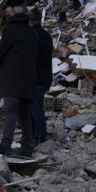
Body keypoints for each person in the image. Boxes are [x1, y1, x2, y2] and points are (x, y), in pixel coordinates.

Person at [0, 6, 38, 157]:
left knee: (10, 110)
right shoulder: (33, 32)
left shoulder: (11, 30)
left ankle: (6, 143)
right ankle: (27, 146)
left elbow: (1, 49)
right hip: (29, 77)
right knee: (24, 112)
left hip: (13, 76)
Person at [30, 12, 53, 144]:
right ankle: (37, 135)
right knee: (37, 107)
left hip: (36, 78)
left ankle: (38, 137)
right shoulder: (46, 35)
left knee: (35, 109)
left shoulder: (32, 36)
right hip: (45, 76)